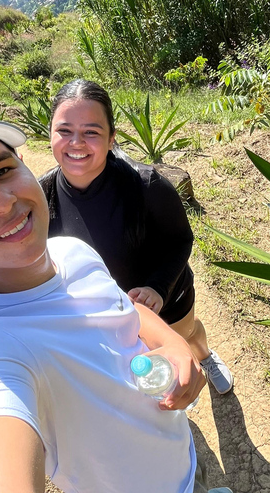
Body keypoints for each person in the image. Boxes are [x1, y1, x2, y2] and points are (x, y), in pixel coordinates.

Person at [0, 102, 232, 493]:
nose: (2, 203)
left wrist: (171, 342)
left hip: (185, 463)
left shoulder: (69, 250)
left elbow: (121, 304)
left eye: (1, 171)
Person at [40, 80, 234, 395]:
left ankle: (204, 356)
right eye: (64, 130)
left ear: (111, 138)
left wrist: (158, 288)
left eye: (91, 132)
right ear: (50, 133)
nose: (76, 143)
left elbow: (179, 241)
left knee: (186, 336)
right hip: (104, 322)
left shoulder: (147, 186)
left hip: (167, 301)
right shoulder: (39, 198)